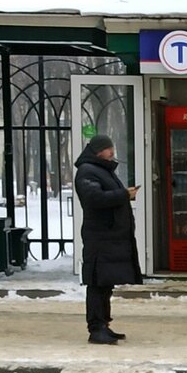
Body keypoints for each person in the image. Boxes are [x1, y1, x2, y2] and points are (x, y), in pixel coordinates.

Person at [74, 133, 142, 344]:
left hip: (108, 237)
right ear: (98, 151)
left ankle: (104, 324)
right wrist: (124, 195)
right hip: (99, 238)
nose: (112, 151)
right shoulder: (87, 171)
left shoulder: (102, 170)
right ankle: (96, 328)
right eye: (108, 148)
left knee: (106, 283)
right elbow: (94, 198)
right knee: (97, 283)